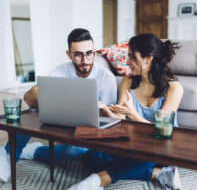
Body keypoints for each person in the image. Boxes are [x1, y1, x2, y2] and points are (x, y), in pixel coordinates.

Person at [67, 33, 184, 190]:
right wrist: (105, 110)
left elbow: (161, 131)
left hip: (162, 146)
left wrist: (133, 114)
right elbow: (119, 118)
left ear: (148, 58)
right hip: (135, 142)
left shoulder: (174, 89)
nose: (127, 62)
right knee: (92, 156)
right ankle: (157, 174)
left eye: (131, 57)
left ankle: (100, 179)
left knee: (151, 150)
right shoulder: (128, 81)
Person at [0, 28, 117, 183]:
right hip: (62, 121)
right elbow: (29, 98)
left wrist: (100, 109)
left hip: (89, 129)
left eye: (89, 53)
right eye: (78, 55)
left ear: (94, 51)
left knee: (77, 150)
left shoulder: (106, 77)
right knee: (32, 111)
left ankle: (37, 151)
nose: (85, 60)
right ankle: (9, 153)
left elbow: (110, 120)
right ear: (69, 54)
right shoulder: (60, 71)